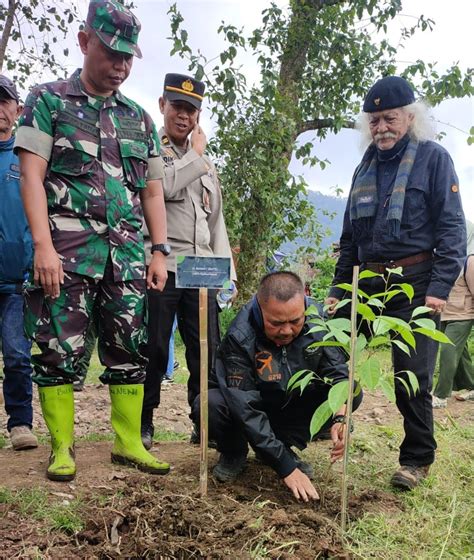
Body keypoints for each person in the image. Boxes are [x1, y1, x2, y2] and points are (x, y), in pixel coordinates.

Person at [14, 0, 170, 481]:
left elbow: (152, 189)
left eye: (128, 57)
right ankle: (63, 448)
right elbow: (30, 176)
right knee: (58, 350)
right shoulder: (47, 101)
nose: (120, 65)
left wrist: (159, 249)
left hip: (125, 258)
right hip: (67, 255)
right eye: (111, 52)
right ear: (85, 42)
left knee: (130, 347)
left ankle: (126, 443)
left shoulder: (140, 119)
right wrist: (42, 244)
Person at [326, 76, 466, 491]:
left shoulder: (434, 159)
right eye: (374, 120)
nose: (381, 127)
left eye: (390, 118)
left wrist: (439, 288)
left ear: (410, 117)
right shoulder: (363, 167)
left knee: (413, 375)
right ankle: (326, 424)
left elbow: (453, 229)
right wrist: (337, 290)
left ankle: (417, 458)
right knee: (329, 347)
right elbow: (350, 236)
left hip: (417, 283)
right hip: (365, 281)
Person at [191, 271, 362, 503]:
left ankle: (278, 446)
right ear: (260, 310)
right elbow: (245, 408)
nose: (287, 331)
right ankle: (233, 452)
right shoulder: (240, 336)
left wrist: (341, 419)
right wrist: (286, 468)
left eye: (295, 321)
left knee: (352, 391)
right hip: (252, 406)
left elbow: (338, 375)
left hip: (289, 404)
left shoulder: (319, 320)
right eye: (277, 323)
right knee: (209, 404)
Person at [141, 73, 236, 449]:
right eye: (178, 107)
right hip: (165, 266)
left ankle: (204, 423)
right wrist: (195, 156)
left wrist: (226, 270)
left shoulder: (207, 165)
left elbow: (217, 223)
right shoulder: (152, 152)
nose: (184, 116)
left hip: (203, 270)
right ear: (163, 105)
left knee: (205, 353)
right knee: (155, 348)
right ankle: (145, 423)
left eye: (192, 110)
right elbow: (162, 187)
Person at [0, 75, 38, 451]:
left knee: (16, 352)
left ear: (17, 110)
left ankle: (20, 423)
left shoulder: (25, 158)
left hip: (16, 280)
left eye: (4, 101)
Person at [432, 247, 474, 407]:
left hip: (463, 315)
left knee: (448, 350)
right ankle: (472, 385)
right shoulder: (442, 260)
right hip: (445, 313)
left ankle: (441, 396)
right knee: (460, 353)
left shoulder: (469, 261)